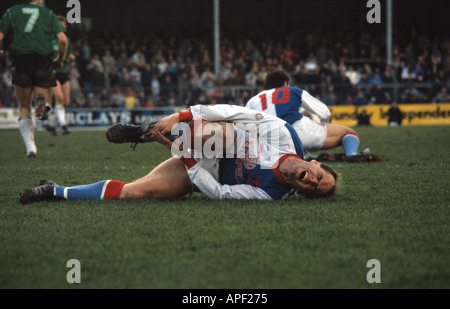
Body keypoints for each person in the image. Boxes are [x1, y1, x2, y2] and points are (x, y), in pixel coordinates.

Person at [19, 104, 339, 204]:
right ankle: (156, 129)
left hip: (201, 168)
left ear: (301, 192)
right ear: (316, 163)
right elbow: (233, 111)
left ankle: (52, 190)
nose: (311, 180)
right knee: (222, 134)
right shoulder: (283, 135)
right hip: (217, 135)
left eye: (311, 187)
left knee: (132, 194)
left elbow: (221, 192)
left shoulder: (272, 193)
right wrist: (181, 116)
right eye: (318, 176)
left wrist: (184, 155)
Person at [245, 70, 381, 163]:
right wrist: (327, 126)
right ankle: (351, 154)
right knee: (349, 133)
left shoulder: (253, 100)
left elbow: (245, 127)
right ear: (285, 83)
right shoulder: (293, 91)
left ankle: (305, 156)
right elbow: (325, 112)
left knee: (289, 144)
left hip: (269, 144)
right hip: (300, 131)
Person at [0, 0, 67, 158]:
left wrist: (1, 53)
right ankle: (43, 104)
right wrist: (60, 60)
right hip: (43, 61)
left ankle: (31, 148)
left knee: (23, 106)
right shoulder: (49, 14)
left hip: (22, 59)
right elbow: (63, 40)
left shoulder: (12, 12)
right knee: (43, 106)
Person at [44, 15, 75, 136]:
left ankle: (51, 124)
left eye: (65, 25)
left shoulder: (67, 40)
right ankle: (63, 125)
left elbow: (71, 55)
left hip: (63, 73)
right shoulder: (49, 39)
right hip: (52, 73)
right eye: (62, 25)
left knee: (65, 102)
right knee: (59, 98)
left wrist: (72, 58)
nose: (64, 27)